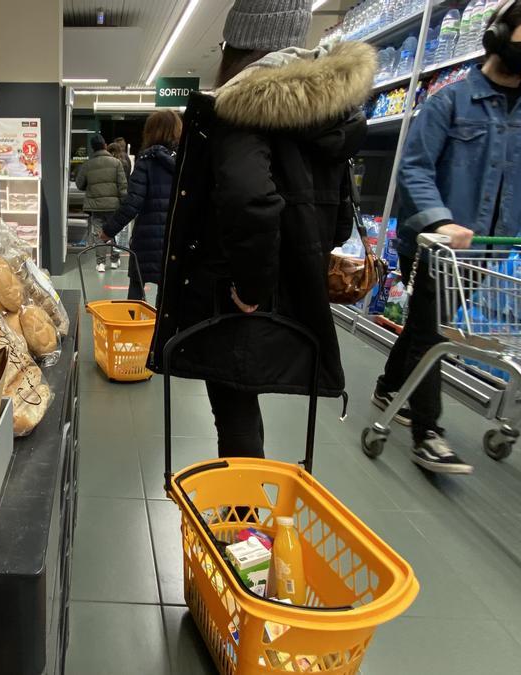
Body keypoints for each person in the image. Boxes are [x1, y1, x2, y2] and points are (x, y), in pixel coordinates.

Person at [151, 0, 375, 459]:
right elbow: (333, 223)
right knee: (245, 403)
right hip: (294, 289)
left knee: (233, 406)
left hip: (234, 291)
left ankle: (244, 520)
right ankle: (250, 513)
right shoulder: (329, 113)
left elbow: (250, 198)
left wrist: (250, 287)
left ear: (239, 43)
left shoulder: (241, 106)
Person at [374, 0, 521, 475]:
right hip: (438, 244)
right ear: (500, 33)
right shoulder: (449, 101)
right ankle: (427, 431)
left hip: (494, 244)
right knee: (435, 329)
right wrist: (440, 221)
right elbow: (415, 169)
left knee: (427, 323)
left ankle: (390, 384)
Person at [98, 111, 181, 301]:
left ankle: (133, 327)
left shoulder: (147, 161)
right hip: (175, 239)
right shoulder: (186, 162)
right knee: (168, 294)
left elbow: (133, 202)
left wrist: (108, 231)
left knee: (136, 289)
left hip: (146, 238)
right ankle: (163, 330)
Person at [75, 134, 128, 272]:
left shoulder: (87, 165)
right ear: (105, 146)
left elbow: (80, 184)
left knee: (99, 234)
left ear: (92, 148)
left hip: (96, 207)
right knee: (115, 232)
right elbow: (123, 186)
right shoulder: (116, 163)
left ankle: (101, 263)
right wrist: (124, 204)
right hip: (114, 206)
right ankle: (115, 260)